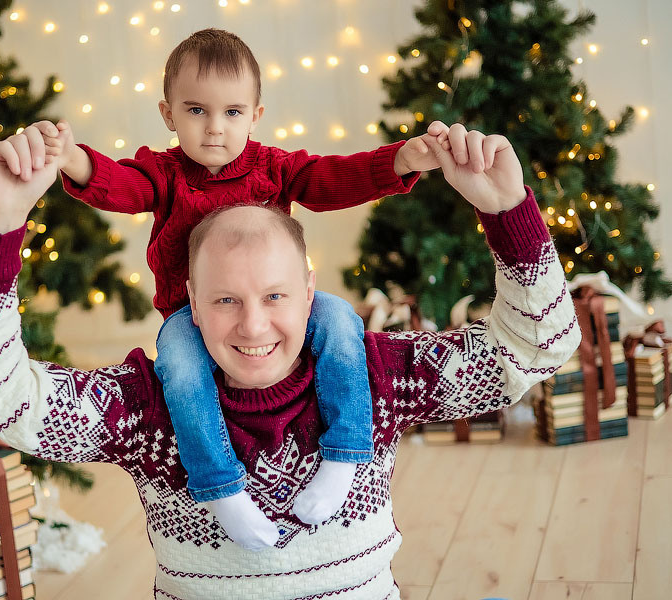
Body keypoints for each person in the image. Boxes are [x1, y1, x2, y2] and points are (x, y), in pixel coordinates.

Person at [0, 120, 581, 599]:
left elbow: (538, 345)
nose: (253, 326)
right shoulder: (146, 410)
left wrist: (507, 210)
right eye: (225, 299)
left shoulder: (376, 376)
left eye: (275, 296)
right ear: (190, 303)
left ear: (309, 293)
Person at [34, 28, 454, 548]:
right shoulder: (164, 174)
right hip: (192, 317)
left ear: (255, 115)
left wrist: (401, 161)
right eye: (196, 111)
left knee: (340, 319)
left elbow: (331, 179)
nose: (215, 128)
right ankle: (221, 488)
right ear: (168, 114)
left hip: (277, 307)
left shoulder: (274, 168)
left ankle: (345, 455)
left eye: (232, 112)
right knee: (179, 366)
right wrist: (72, 158)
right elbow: (120, 186)